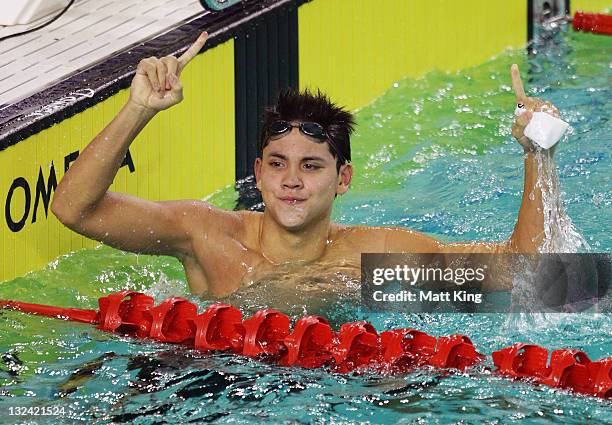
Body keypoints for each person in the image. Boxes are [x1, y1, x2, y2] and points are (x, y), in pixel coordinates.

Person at [50, 32, 562, 297]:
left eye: (312, 166)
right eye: (277, 163)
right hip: (200, 379)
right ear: (256, 172)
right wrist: (139, 107)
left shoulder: (375, 256)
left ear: (344, 179)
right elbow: (74, 210)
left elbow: (528, 274)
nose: (291, 180)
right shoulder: (206, 235)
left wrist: (537, 155)